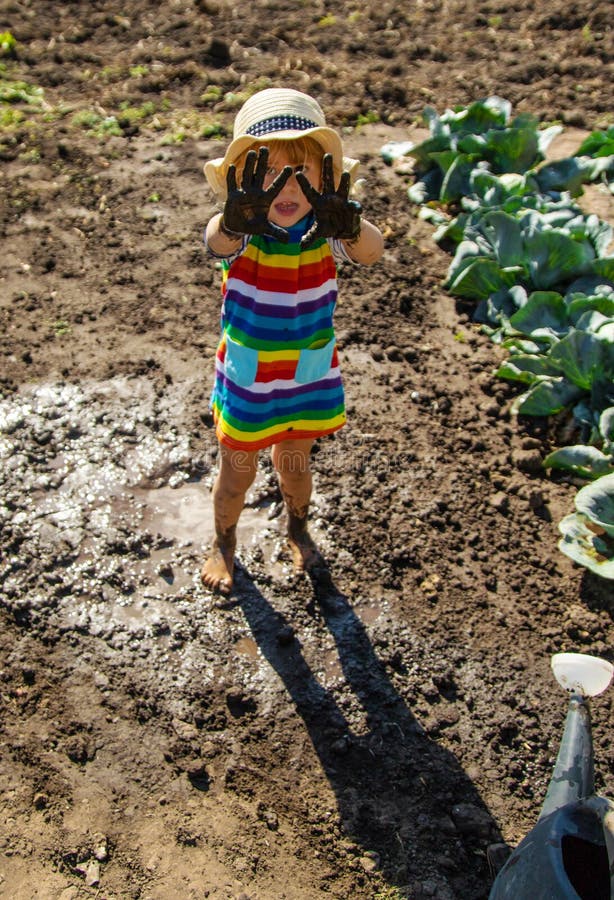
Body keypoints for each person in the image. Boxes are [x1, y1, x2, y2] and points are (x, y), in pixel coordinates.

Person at [201, 87, 384, 594]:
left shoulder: (326, 228)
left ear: (325, 178)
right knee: (237, 473)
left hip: (306, 376)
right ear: (242, 182)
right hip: (250, 383)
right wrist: (235, 219)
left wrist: (350, 224)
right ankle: (224, 541)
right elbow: (215, 239)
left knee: (296, 468)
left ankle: (298, 526)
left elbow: (371, 252)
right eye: (268, 172)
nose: (287, 185)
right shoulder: (241, 231)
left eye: (302, 172)